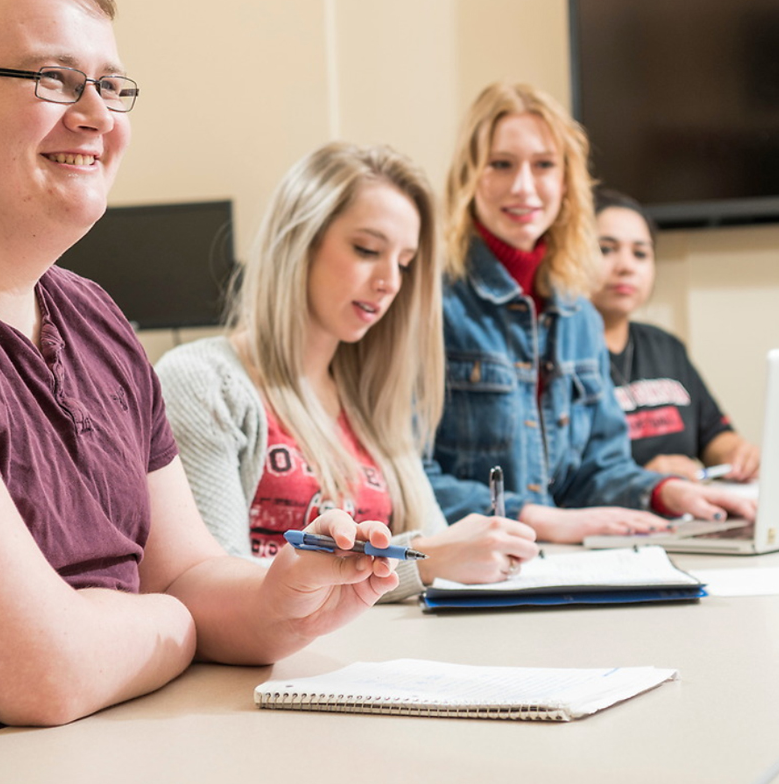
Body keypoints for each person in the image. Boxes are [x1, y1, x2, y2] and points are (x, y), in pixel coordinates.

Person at [0, 0, 400, 765]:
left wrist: (281, 597)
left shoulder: (92, 316)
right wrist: (169, 622)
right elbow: (43, 667)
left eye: (112, 85)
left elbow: (188, 574)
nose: (95, 115)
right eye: (52, 79)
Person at [156, 141, 538, 600]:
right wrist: (424, 558)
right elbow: (213, 582)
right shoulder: (201, 381)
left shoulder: (371, 398)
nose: (390, 282)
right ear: (299, 241)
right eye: (366, 249)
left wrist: (462, 555)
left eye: (404, 263)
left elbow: (434, 540)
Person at [427, 82, 755, 544]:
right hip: (466, 574)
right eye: (501, 164)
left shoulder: (579, 314)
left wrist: (667, 492)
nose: (524, 186)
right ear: (469, 175)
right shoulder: (430, 304)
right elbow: (407, 478)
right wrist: (540, 518)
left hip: (559, 568)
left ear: (566, 181)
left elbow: (597, 470)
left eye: (544, 165)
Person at [591, 188, 759, 481]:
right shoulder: (555, 355)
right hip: (612, 517)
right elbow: (559, 480)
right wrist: (644, 480)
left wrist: (735, 453)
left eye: (641, 253)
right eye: (606, 249)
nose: (626, 267)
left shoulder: (666, 347)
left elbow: (714, 435)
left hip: (687, 513)